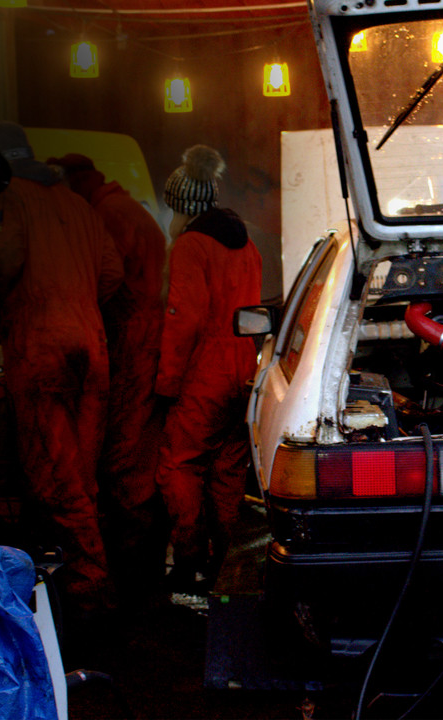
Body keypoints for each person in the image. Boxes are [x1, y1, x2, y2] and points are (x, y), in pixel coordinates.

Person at [0, 122, 124, 623]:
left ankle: (87, 595)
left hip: (42, 350)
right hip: (89, 347)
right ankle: (78, 584)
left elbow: (1, 258)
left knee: (55, 476)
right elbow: (111, 273)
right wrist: (76, 307)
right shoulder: (77, 203)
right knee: (81, 473)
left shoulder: (10, 199)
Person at [49, 153, 169, 609]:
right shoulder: (124, 207)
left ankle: (135, 578)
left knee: (126, 459)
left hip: (132, 342)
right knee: (137, 451)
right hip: (141, 340)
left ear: (77, 182)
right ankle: (143, 571)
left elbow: (109, 277)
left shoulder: (106, 214)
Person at [156, 144, 262, 591]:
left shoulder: (190, 247)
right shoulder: (247, 244)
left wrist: (166, 382)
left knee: (179, 465)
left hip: (204, 373)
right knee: (227, 471)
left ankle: (188, 561)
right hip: (243, 369)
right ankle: (227, 562)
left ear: (181, 207)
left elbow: (185, 320)